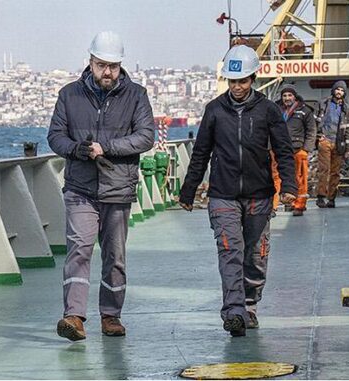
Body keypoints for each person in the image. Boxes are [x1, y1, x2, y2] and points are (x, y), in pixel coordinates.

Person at [178, 45, 297, 337]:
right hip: (223, 195)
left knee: (255, 254)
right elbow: (201, 153)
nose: (237, 87)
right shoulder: (214, 110)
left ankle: (250, 304)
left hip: (259, 195)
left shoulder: (269, 111)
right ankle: (233, 311)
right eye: (233, 82)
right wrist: (188, 191)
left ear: (253, 79)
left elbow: (283, 151)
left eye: (242, 81)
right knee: (230, 250)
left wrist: (289, 188)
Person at [47, 31, 155, 341]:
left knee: (114, 255)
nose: (107, 72)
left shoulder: (137, 95)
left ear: (120, 66)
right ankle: (74, 317)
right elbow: (56, 137)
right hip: (80, 188)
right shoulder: (69, 95)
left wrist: (104, 147)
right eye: (101, 65)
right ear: (90, 62)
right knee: (79, 249)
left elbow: (145, 137)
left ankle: (111, 315)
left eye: (112, 66)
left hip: (117, 188)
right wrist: (76, 149)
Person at [273, 84, 316, 216]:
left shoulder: (305, 110)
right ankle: (273, 206)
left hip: (298, 150)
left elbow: (311, 130)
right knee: (275, 178)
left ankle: (299, 205)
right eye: (284, 95)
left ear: (295, 96)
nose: (287, 98)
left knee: (300, 178)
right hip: (278, 150)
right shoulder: (275, 110)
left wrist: (306, 149)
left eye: (289, 95)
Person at [315, 80, 349, 208]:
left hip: (339, 143)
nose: (339, 92)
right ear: (333, 90)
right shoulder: (323, 103)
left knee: (335, 173)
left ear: (344, 93)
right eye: (338, 89)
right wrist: (318, 137)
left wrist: (348, 149)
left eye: (342, 90)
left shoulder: (347, 109)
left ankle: (331, 199)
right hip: (325, 141)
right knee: (324, 170)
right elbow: (315, 123)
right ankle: (320, 197)